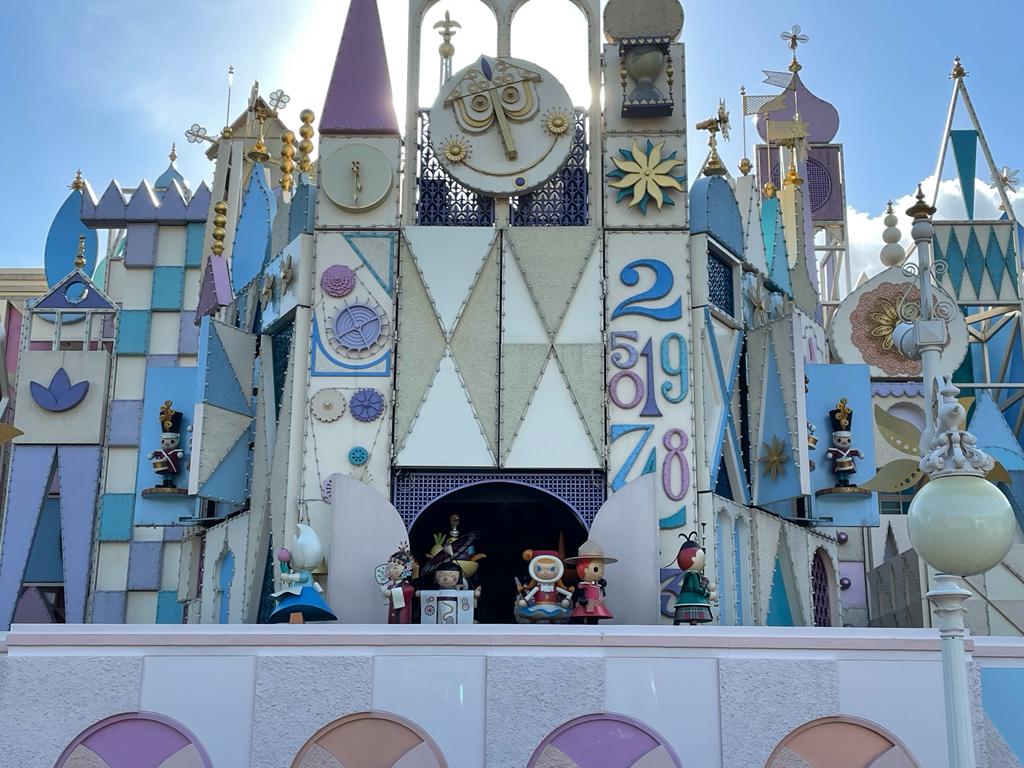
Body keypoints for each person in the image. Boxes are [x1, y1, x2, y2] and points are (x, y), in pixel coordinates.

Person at [565, 540, 617, 624]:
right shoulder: (581, 586)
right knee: (581, 620)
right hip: (584, 607)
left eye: (602, 569)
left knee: (594, 620)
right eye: (596, 569)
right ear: (583, 569)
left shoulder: (598, 585)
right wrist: (581, 599)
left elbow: (601, 594)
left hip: (596, 606)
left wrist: (602, 589)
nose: (600, 572)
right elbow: (576, 596)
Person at [673, 533, 717, 626]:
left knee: (679, 618)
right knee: (693, 618)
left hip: (683, 598)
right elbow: (696, 588)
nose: (704, 564)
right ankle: (693, 628)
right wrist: (708, 594)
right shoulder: (693, 574)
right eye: (702, 561)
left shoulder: (687, 574)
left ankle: (676, 628)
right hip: (694, 599)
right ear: (693, 559)